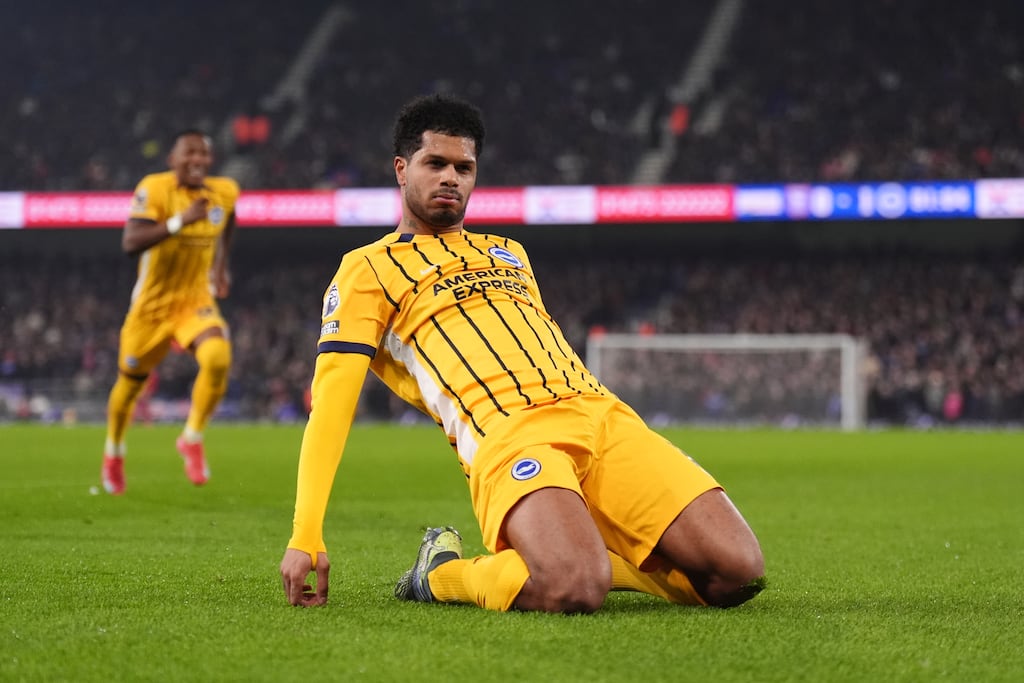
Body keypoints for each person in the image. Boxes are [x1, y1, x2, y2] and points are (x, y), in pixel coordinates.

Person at [279, 94, 765, 613]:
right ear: (401, 169)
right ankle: (441, 574)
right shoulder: (365, 270)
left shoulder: (509, 252)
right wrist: (306, 533)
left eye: (464, 167)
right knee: (574, 587)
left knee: (736, 574)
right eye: (435, 163)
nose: (451, 178)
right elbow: (331, 405)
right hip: (509, 434)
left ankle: (586, 551)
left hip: (602, 417)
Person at [100, 129, 240, 495]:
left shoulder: (223, 192)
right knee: (128, 388)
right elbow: (131, 242)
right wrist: (181, 221)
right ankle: (114, 451)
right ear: (173, 160)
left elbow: (229, 219)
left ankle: (191, 437)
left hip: (194, 302)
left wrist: (221, 267)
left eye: (203, 154)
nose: (198, 159)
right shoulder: (155, 188)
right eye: (189, 153)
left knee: (218, 356)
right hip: (151, 310)